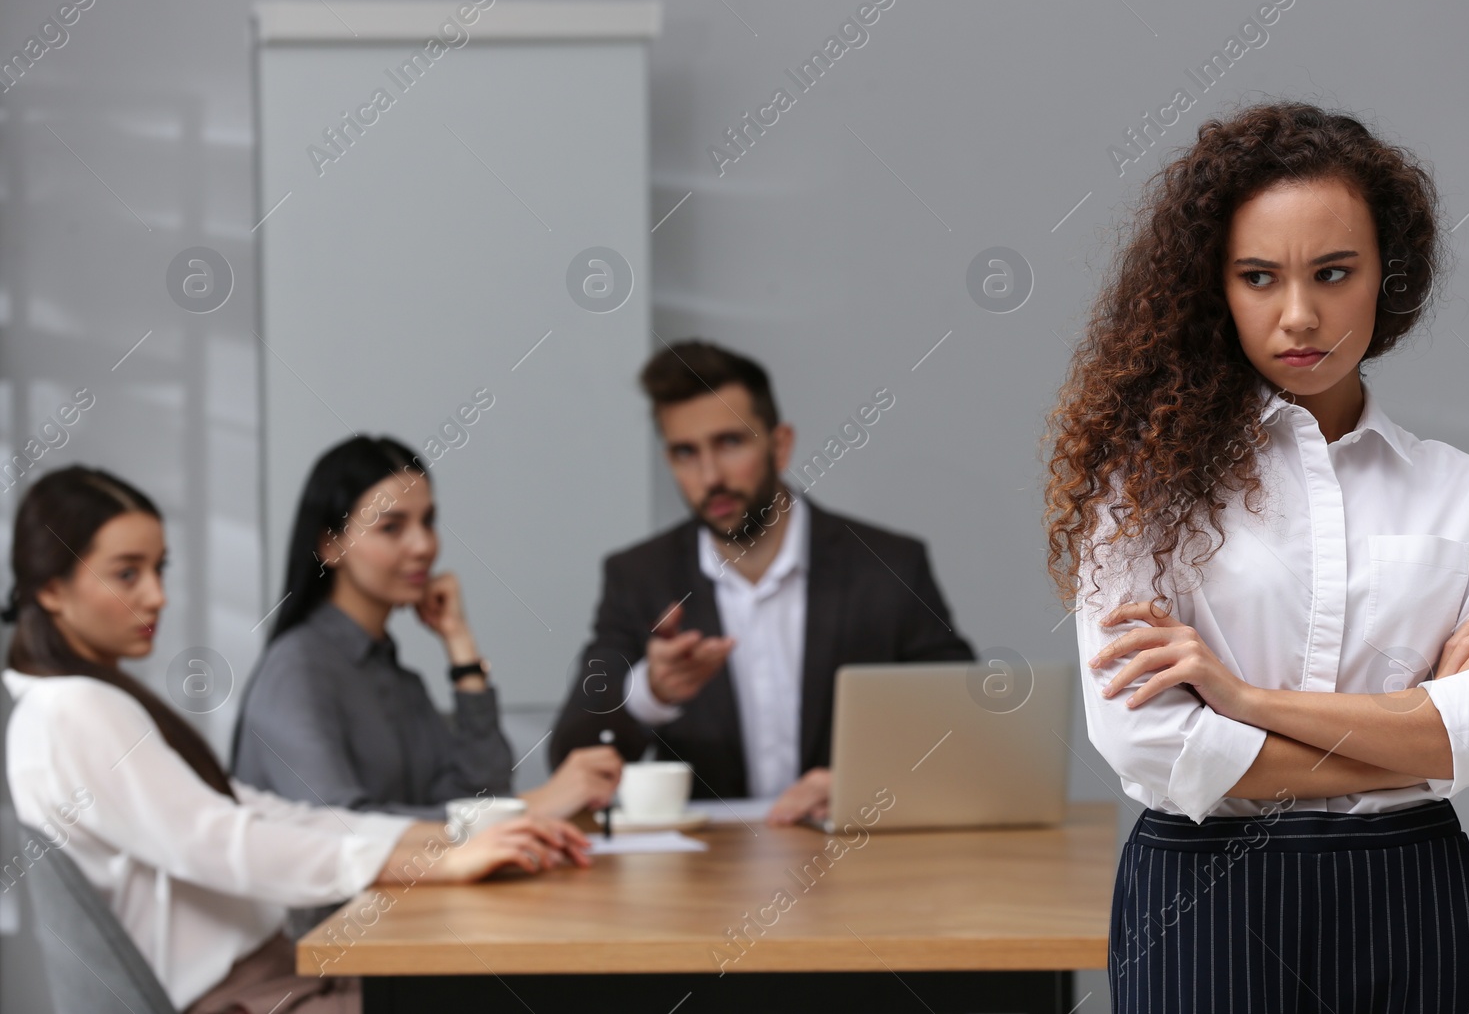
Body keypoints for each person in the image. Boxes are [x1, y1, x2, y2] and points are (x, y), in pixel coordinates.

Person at [1045, 103, 1469, 1013]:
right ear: (1216, 286)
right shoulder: (1140, 492)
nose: (1299, 314)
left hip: (1416, 904)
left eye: (1334, 272)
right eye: (1258, 277)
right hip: (1204, 903)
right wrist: (1423, 731)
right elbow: (1152, 743)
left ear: (1384, 278)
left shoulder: (1463, 491)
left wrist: (1245, 703)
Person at [2, 466, 593, 1014]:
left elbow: (257, 811)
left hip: (282, 971)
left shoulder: (82, 701)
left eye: (160, 569)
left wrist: (442, 845)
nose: (157, 595)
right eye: (128, 573)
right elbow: (221, 841)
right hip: (250, 995)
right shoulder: (75, 710)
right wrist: (428, 861)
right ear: (52, 590)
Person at [548, 341, 975, 825]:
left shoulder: (887, 564)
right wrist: (651, 692)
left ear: (780, 444)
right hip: (705, 872)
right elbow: (571, 755)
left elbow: (961, 726)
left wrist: (866, 785)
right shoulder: (640, 577)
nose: (710, 477)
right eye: (685, 453)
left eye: (730, 443)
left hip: (857, 859)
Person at [232, 435, 620, 822]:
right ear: (331, 545)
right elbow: (342, 831)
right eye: (392, 527)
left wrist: (460, 646)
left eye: (428, 522)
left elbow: (482, 790)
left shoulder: (397, 678)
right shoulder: (297, 670)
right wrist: (531, 807)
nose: (423, 546)